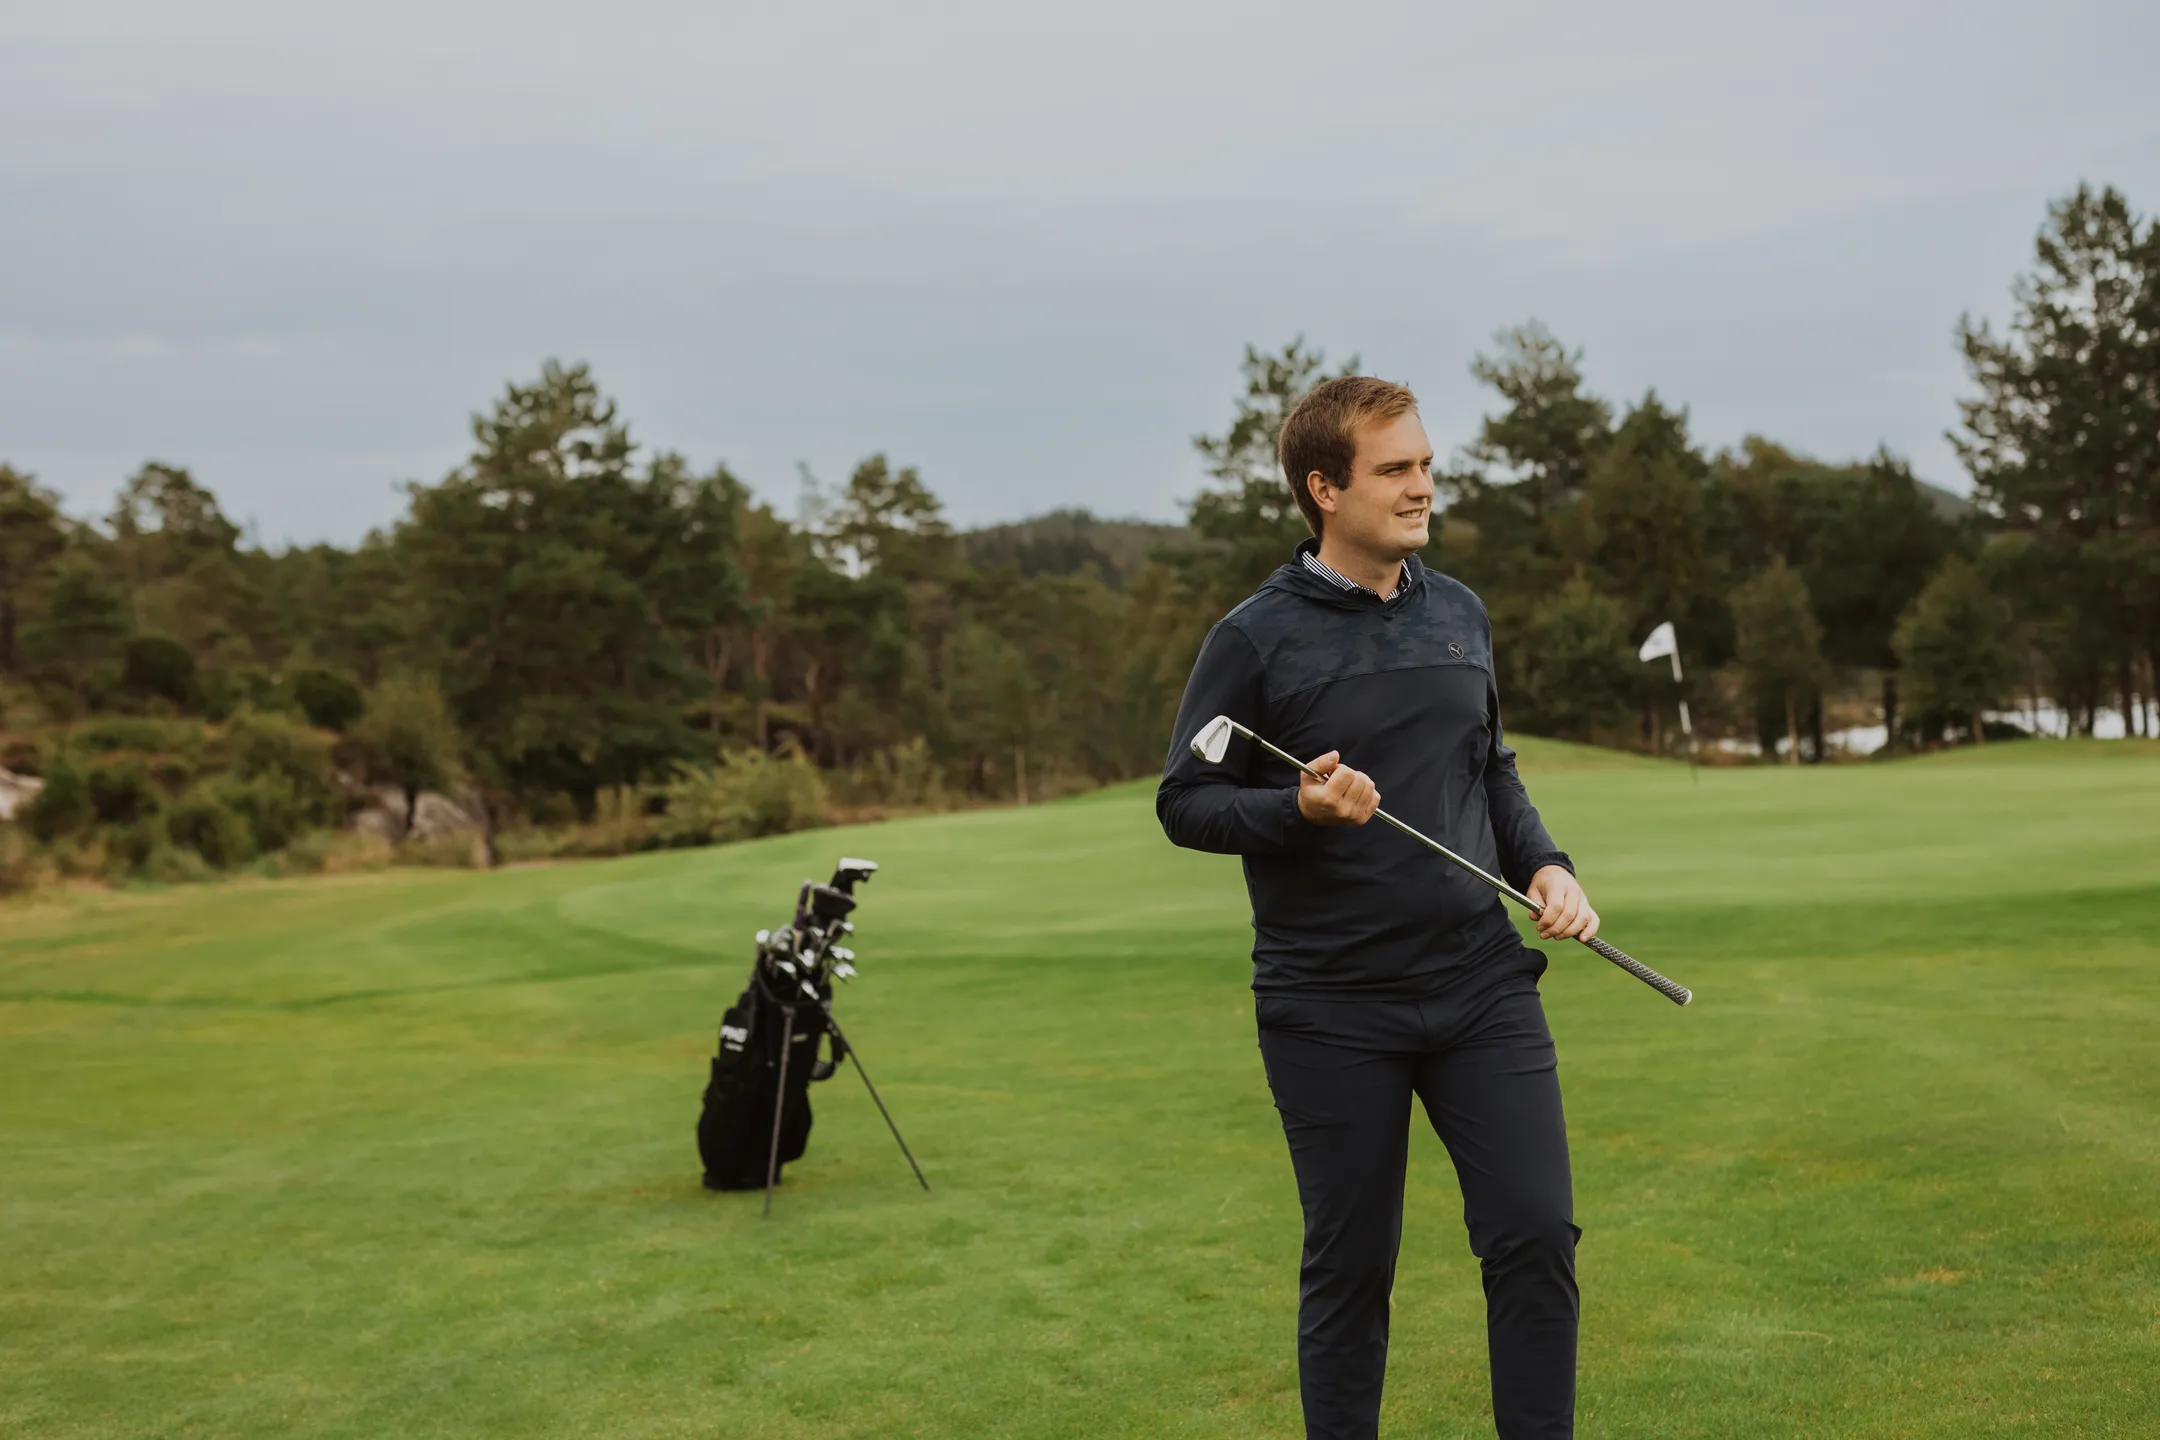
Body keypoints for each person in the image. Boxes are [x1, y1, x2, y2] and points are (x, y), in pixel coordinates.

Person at [1156, 376, 1600, 1440]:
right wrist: (1299, 808)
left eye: (1426, 464)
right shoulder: (1255, 640)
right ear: (1324, 488)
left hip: (1479, 984)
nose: (1422, 487)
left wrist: (1547, 864)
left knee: (1535, 1235)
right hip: (1330, 1006)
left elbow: (1489, 768)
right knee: (1353, 1268)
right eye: (1394, 469)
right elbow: (1187, 800)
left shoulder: (1459, 613)